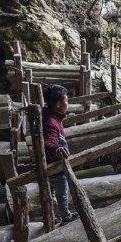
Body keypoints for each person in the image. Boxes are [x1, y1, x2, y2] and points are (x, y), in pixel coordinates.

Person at [42, 84, 79, 223]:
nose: (68, 103)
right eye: (66, 100)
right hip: (55, 165)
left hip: (52, 162)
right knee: (62, 192)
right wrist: (57, 148)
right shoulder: (51, 122)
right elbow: (49, 143)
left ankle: (52, 216)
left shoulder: (52, 116)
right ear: (59, 104)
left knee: (51, 192)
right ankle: (65, 216)